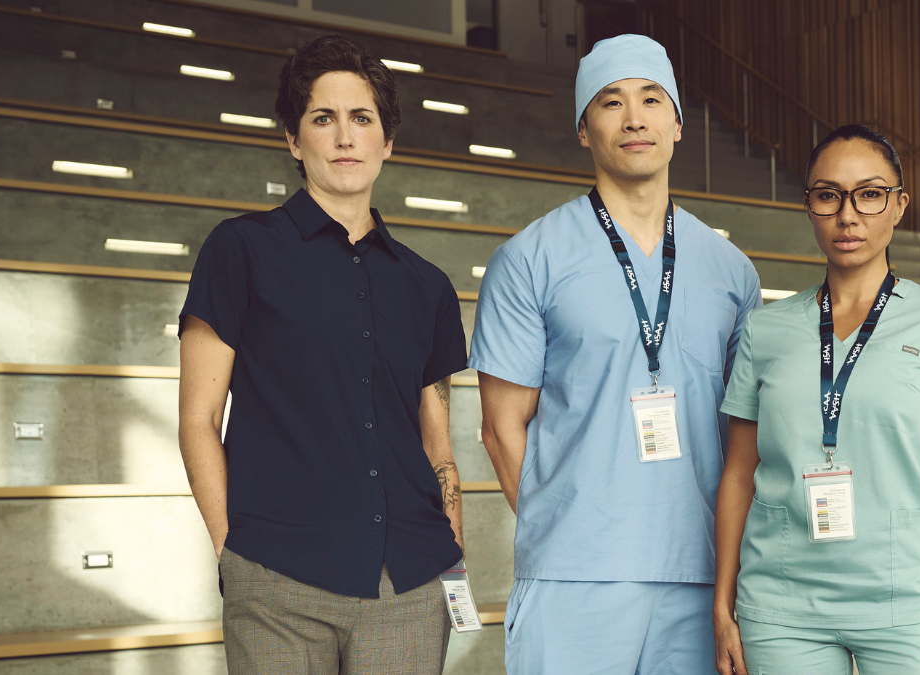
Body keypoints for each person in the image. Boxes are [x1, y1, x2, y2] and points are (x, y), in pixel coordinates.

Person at [468, 34, 761, 674]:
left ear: (678, 124)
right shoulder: (530, 259)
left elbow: (743, 435)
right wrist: (566, 532)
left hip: (700, 573)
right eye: (610, 102)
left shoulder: (731, 271)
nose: (634, 118)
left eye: (652, 99)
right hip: (574, 578)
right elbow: (500, 427)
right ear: (584, 129)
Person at [177, 34, 467, 674]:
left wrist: (453, 562)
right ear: (292, 138)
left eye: (362, 118)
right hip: (277, 578)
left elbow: (438, 447)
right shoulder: (239, 250)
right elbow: (199, 420)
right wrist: (234, 554)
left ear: (387, 141)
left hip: (411, 583)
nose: (344, 137)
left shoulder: (427, 286)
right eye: (322, 118)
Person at [711, 124, 920, 675]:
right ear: (809, 206)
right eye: (829, 195)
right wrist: (723, 607)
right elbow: (739, 475)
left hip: (913, 600)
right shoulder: (765, 330)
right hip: (781, 605)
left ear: (899, 206)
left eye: (869, 194)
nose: (848, 215)